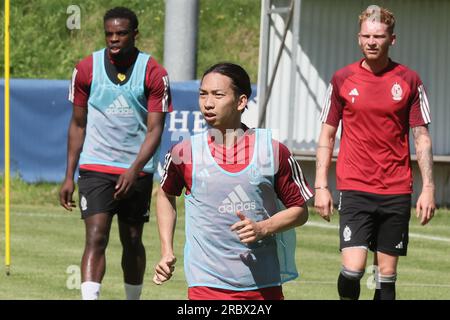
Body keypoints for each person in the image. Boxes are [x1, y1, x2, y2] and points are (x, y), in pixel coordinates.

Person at [153, 62, 313, 300]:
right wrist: (166, 250)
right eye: (203, 94)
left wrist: (262, 228)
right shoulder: (184, 152)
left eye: (218, 95)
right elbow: (165, 194)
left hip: (262, 284)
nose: (208, 103)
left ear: (241, 102)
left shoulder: (272, 151)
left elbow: (299, 211)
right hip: (205, 284)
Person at [314, 6, 435, 300]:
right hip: (355, 187)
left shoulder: (409, 81)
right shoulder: (342, 79)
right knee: (353, 270)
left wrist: (428, 188)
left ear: (391, 39)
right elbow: (327, 135)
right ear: (358, 39)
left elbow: (421, 138)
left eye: (378, 36)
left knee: (386, 277)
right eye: (366, 36)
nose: (371, 41)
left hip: (396, 189)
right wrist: (321, 186)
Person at [59, 6, 172, 300]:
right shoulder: (85, 68)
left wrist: (134, 169)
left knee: (132, 239)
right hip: (96, 167)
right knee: (96, 236)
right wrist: (68, 176)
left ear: (135, 34)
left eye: (121, 33)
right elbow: (78, 124)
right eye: (109, 33)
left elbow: (155, 130)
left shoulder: (153, 72)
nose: (114, 39)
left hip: (137, 171)